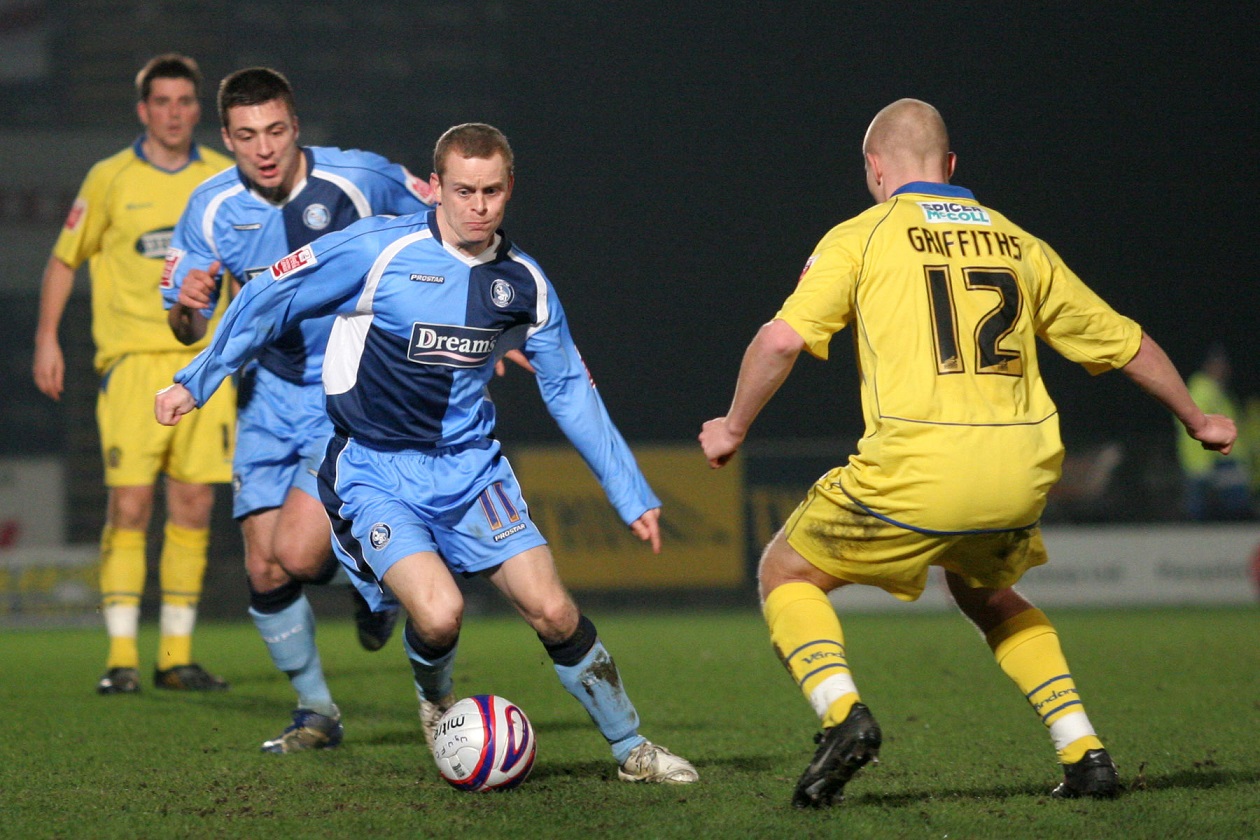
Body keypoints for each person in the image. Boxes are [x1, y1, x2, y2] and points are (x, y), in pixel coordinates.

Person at [699, 99, 1237, 808]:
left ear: (875, 169)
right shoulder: (1019, 243)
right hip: (1020, 472)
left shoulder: (863, 236)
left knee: (785, 570)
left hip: (918, 467)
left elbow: (779, 340)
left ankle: (842, 716)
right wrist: (1196, 415)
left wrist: (733, 427)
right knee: (984, 590)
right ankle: (1084, 752)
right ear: (951, 167)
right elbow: (1123, 341)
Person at [156, 122, 698, 784]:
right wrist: (197, 379)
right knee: (440, 616)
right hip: (375, 469)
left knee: (554, 611)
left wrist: (629, 491)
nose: (478, 206)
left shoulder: (523, 283)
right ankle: (435, 698)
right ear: (435, 187)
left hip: (472, 472)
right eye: (463, 190)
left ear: (509, 190)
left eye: (491, 191)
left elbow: (569, 391)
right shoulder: (378, 249)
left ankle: (631, 748)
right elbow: (271, 292)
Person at [161, 67, 432, 752]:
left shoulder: (359, 178)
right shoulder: (210, 207)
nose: (265, 148)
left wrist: (482, 324)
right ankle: (316, 712)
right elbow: (185, 328)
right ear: (226, 138)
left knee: (298, 552)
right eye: (247, 135)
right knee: (264, 569)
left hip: (346, 389)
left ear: (296, 127)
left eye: (276, 130)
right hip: (265, 397)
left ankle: (384, 580)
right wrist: (188, 306)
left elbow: (444, 225)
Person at [32, 53, 235, 695]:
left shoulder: (225, 179)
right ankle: (120, 657)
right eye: (162, 102)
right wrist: (46, 339)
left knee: (196, 504)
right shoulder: (110, 177)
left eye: (185, 102)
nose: (174, 113)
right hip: (131, 365)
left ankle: (174, 656)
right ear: (143, 110)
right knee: (129, 502)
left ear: (197, 110)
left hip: (207, 367)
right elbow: (66, 261)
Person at [1175, 346, 1251, 520]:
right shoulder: (1202, 390)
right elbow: (1197, 427)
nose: (1223, 368)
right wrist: (1205, 461)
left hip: (1223, 458)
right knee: (1204, 512)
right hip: (1209, 460)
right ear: (1208, 365)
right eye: (1218, 364)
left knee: (1228, 510)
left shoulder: (1216, 391)